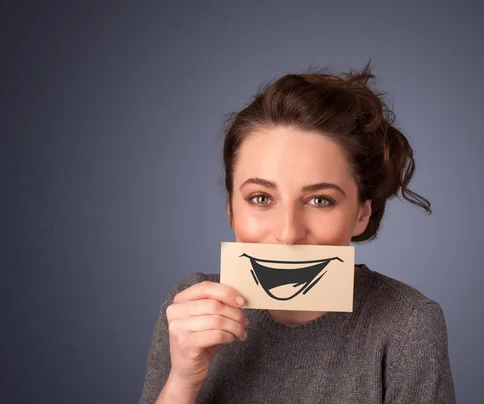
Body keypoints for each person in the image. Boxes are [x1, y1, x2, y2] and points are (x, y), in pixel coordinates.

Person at [138, 62, 456, 404]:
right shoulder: (190, 307)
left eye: (320, 200)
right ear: (231, 208)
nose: (288, 233)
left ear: (362, 213)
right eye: (260, 198)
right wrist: (182, 380)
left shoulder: (407, 324)